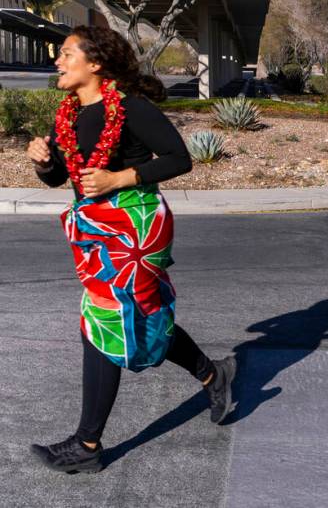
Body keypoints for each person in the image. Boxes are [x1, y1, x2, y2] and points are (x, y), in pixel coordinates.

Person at [26, 26, 234, 474]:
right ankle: (213, 374)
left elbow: (179, 158)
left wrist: (119, 178)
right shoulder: (69, 114)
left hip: (135, 225)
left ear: (95, 63)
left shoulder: (130, 108)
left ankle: (87, 444)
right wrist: (45, 162)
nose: (57, 62)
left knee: (102, 319)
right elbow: (63, 177)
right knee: (139, 316)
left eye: (65, 54)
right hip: (95, 227)